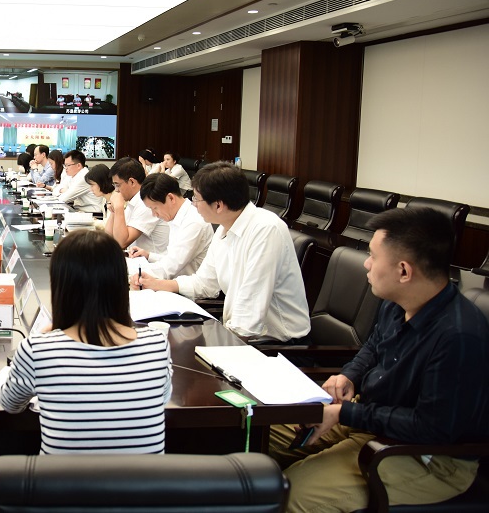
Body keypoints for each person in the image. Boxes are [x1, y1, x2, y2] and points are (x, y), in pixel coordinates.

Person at [268, 207, 489, 513]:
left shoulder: (458, 336)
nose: (367, 264)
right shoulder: (398, 301)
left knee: (290, 497)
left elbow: (432, 428)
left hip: (428, 456)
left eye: (373, 255)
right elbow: (373, 346)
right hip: (372, 415)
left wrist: (344, 413)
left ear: (404, 271)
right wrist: (350, 375)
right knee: (255, 435)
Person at [0, 228, 172, 454]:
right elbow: (161, 398)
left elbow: (10, 404)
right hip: (144, 478)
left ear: (60, 285)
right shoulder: (157, 345)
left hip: (61, 479)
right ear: (121, 284)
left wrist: (43, 336)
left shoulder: (38, 349)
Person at [138, 161, 309, 344]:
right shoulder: (224, 228)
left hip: (278, 345)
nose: (194, 205)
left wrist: (214, 347)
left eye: (196, 199)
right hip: (239, 333)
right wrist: (157, 284)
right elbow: (204, 283)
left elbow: (248, 314)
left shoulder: (266, 230)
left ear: (218, 205)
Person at [129, 174, 213, 280]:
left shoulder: (193, 222)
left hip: (190, 287)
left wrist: (130, 271)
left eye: (155, 208)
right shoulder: (177, 216)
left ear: (170, 198)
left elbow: (169, 268)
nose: (154, 214)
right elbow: (172, 258)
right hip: (178, 281)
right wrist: (149, 255)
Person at [106, 157, 168, 255]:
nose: (116, 190)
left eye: (118, 185)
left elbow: (121, 243)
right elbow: (109, 238)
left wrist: (118, 208)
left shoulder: (146, 203)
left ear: (132, 182)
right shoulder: (133, 200)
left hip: (152, 262)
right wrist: (114, 211)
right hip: (137, 258)